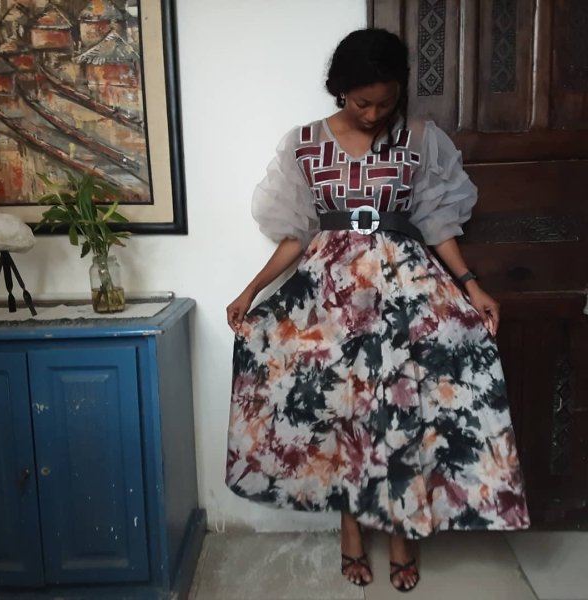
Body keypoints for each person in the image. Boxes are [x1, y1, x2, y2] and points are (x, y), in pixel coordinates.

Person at [225, 28, 530, 593]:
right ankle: (350, 529)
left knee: (401, 412)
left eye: (384, 104)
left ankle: (401, 533)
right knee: (344, 411)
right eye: (361, 102)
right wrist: (251, 291)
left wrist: (470, 286)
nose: (372, 114)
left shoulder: (420, 138)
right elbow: (295, 236)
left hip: (404, 295)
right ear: (340, 88)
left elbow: (437, 222)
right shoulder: (305, 143)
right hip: (331, 298)